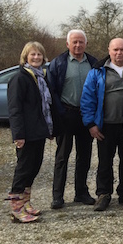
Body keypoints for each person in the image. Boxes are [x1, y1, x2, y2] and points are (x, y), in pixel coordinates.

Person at [81, 37, 123, 212]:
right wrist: (90, 124)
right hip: (105, 125)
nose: (119, 53)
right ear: (109, 51)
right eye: (115, 50)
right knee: (104, 162)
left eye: (122, 49)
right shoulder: (97, 71)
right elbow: (87, 98)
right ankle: (103, 194)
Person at [47, 29, 98, 209]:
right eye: (74, 42)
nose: (77, 45)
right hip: (65, 114)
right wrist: (58, 114)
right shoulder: (58, 63)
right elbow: (51, 91)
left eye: (81, 42)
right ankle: (57, 196)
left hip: (86, 116)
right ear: (67, 44)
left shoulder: (93, 63)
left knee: (84, 156)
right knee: (62, 157)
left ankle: (81, 192)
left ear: (86, 44)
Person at [7, 41, 56, 222]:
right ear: (25, 57)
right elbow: (15, 109)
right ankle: (16, 208)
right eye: (32, 54)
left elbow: (46, 107)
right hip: (26, 134)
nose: (36, 57)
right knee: (23, 169)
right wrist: (18, 135)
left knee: (33, 168)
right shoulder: (20, 78)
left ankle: (26, 203)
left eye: (39, 54)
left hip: (39, 131)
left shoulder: (40, 77)